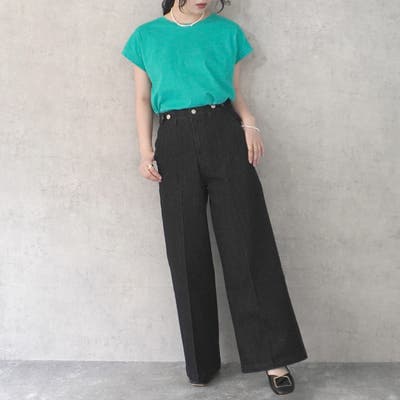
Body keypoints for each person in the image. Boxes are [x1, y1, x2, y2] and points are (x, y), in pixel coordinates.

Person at [121, 0, 308, 395]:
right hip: (172, 139)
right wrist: (145, 150)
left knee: (248, 244)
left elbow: (235, 91)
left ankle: (273, 358)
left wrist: (250, 123)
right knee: (186, 250)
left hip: (223, 132)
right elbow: (141, 98)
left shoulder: (227, 32)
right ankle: (201, 362)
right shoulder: (145, 37)